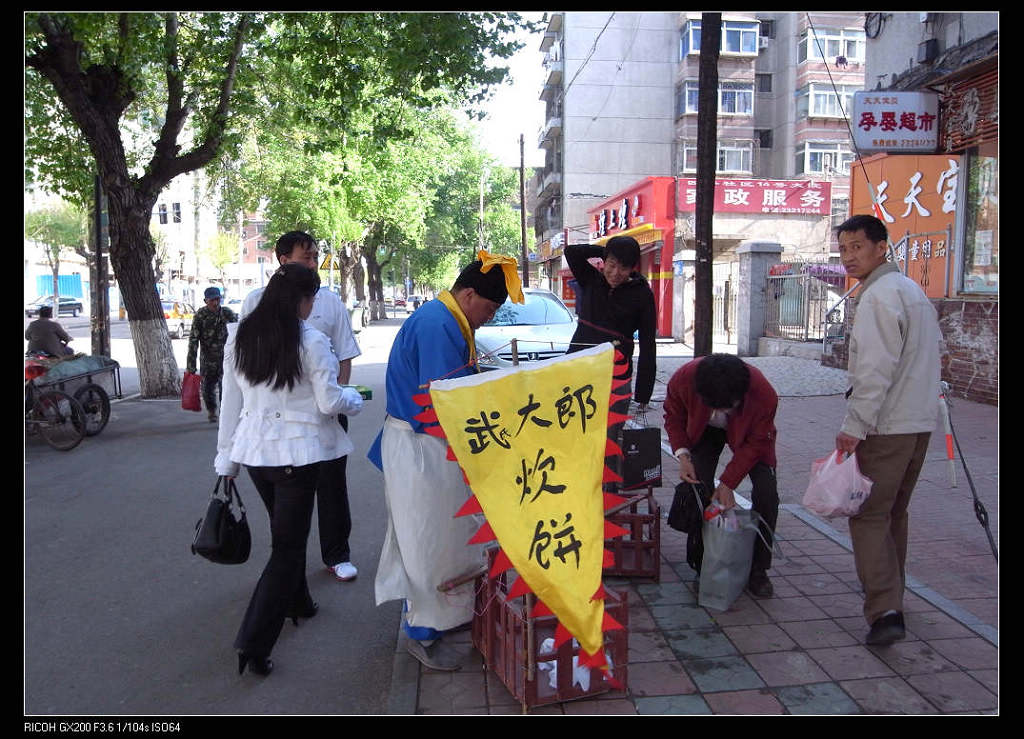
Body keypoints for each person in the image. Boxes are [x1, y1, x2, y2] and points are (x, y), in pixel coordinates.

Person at [369, 252, 523, 671]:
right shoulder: (440, 323)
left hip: (430, 445)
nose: (488, 318)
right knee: (426, 539)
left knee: (441, 536)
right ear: (468, 294)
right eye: (488, 309)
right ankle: (421, 628)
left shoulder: (448, 318)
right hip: (424, 447)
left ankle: (441, 618)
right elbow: (443, 399)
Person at [215, 263, 365, 676]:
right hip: (298, 457)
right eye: (311, 297)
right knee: (286, 547)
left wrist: (226, 460)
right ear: (301, 299)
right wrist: (355, 398)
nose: (313, 304)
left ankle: (298, 602)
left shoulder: (241, 338)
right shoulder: (310, 341)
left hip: (254, 456)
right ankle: (253, 642)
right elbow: (330, 402)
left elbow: (231, 404)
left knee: (285, 537)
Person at [834, 214, 942, 646]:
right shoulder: (912, 292)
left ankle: (885, 611)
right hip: (918, 424)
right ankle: (893, 596)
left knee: (869, 515)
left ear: (881, 247)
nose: (849, 257)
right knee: (893, 513)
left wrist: (853, 426)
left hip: (887, 426)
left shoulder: (880, 296)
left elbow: (874, 373)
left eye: (857, 247)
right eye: (843, 249)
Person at [241, 232, 363, 584]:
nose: (313, 264)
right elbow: (245, 366)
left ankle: (336, 554)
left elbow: (343, 355)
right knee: (284, 500)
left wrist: (336, 400)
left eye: (314, 257)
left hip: (325, 413)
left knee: (331, 486)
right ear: (282, 259)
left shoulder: (328, 302)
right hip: (275, 422)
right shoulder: (255, 302)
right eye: (305, 257)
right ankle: (288, 565)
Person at [663, 353, 779, 598]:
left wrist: (728, 483)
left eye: (727, 405)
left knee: (768, 493)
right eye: (714, 404)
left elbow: (756, 443)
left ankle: (759, 569)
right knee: (699, 485)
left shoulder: (763, 394)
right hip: (702, 431)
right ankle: (702, 563)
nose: (720, 409)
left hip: (751, 436)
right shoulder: (683, 379)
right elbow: (673, 417)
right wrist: (683, 456)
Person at [564, 235, 657, 407]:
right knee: (573, 430)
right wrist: (606, 251)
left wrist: (643, 395)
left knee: (610, 433)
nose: (615, 274)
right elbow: (571, 252)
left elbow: (648, 345)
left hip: (615, 378)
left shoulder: (643, 295)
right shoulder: (591, 279)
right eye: (612, 265)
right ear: (604, 262)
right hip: (577, 368)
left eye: (623, 268)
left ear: (632, 268)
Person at [187, 287, 238, 423]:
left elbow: (238, 332)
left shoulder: (227, 313)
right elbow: (193, 340)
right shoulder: (200, 316)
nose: (215, 303)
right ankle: (211, 410)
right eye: (212, 300)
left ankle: (224, 413)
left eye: (217, 299)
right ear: (206, 301)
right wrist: (190, 366)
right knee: (207, 388)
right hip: (208, 360)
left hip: (226, 358)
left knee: (225, 386)